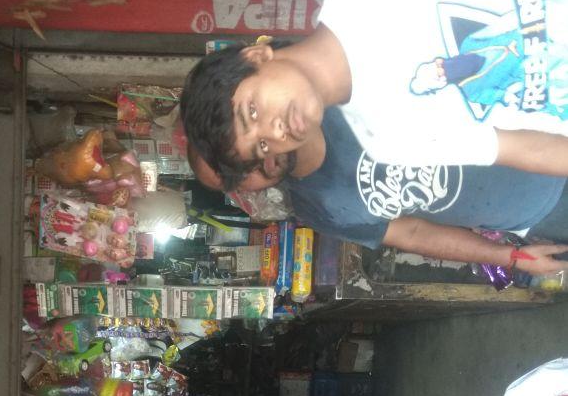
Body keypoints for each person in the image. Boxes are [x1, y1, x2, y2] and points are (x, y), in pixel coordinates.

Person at [180, 0, 568, 189]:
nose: (276, 132)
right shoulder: (385, 140)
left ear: (255, 56)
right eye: (262, 145)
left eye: (252, 112)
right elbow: (527, 147)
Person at [188, 110, 568, 276]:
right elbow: (413, 234)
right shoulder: (315, 209)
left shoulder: (337, 96)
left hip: (550, 135)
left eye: (232, 152)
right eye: (232, 178)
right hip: (541, 216)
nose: (247, 166)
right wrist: (509, 257)